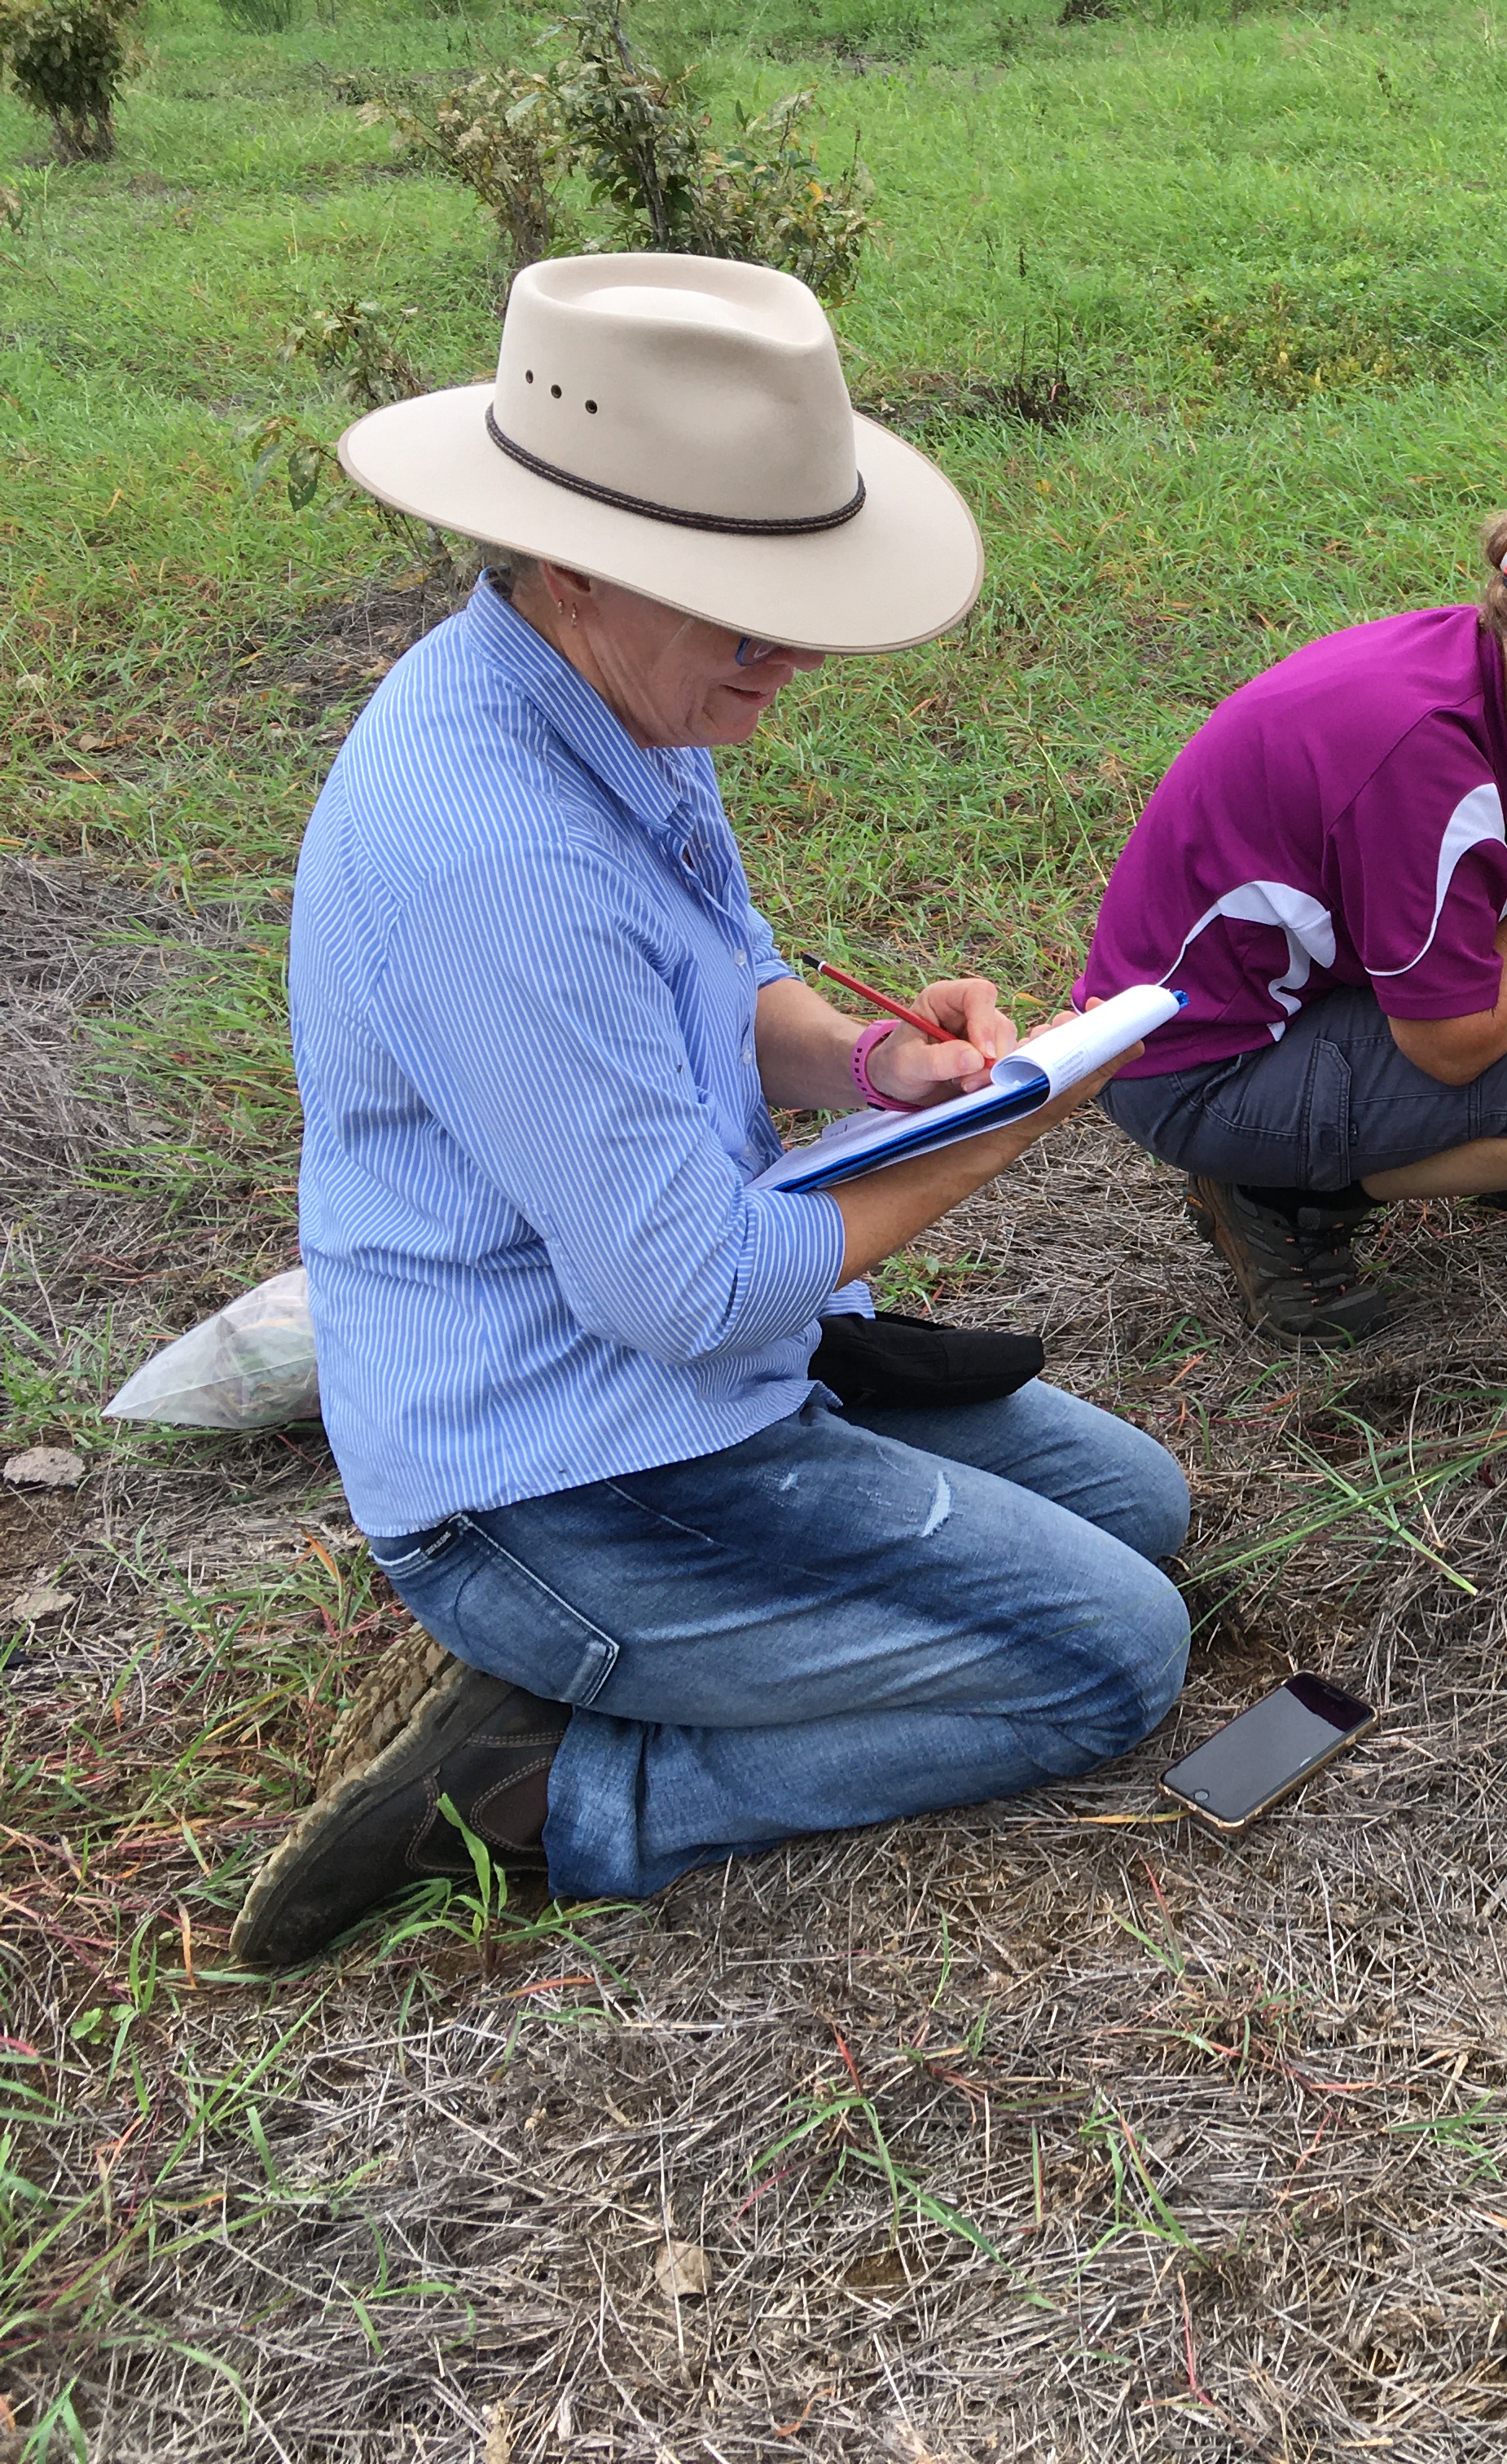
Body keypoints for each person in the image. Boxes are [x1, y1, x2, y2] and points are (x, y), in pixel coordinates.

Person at [234, 255, 1191, 1970]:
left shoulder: (616, 705)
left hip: (693, 1389)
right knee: (1111, 1657)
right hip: (559, 1472)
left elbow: (731, 988)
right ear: (578, 561)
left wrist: (875, 1070)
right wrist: (990, 1140)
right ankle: (553, 1789)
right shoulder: (492, 850)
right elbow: (681, 1289)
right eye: (745, 604)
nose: (795, 653)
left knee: (1143, 1514)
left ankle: (636, 1669)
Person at [1079, 496, 1507, 1344]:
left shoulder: (1484, 679)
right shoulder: (1426, 760)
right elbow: (1452, 1042)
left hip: (1274, 1006)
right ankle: (1275, 1192)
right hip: (1194, 1070)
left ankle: (1480, 1146)